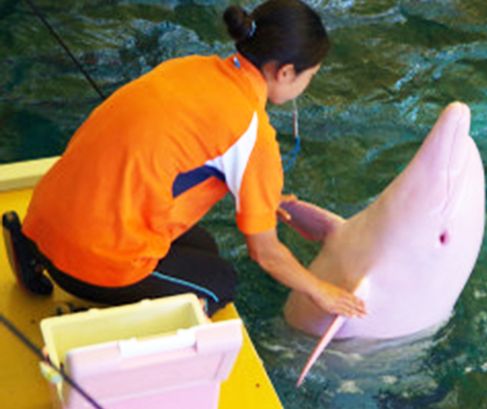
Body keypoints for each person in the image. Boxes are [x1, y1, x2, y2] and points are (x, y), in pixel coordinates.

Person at [3, 0, 366, 318]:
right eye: (311, 75)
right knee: (220, 284)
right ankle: (90, 315)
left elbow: (180, 155)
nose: (308, 85)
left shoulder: (190, 67)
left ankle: (31, 249)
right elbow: (266, 254)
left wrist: (264, 201)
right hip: (91, 264)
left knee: (203, 247)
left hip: (44, 218)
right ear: (285, 72)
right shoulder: (252, 133)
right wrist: (322, 291)